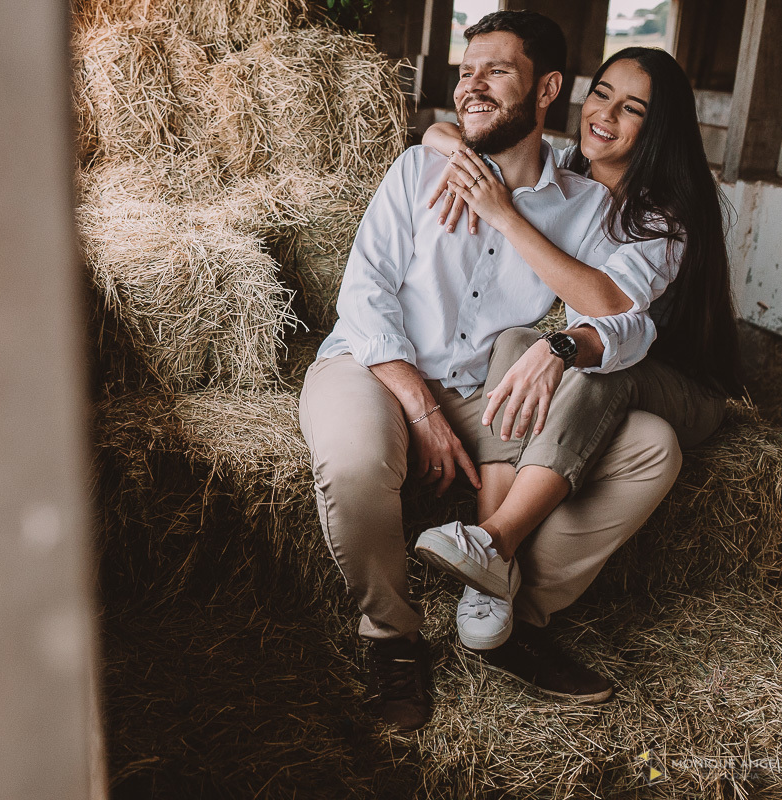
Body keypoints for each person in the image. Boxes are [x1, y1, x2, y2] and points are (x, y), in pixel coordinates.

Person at [299, 12, 682, 731]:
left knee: (652, 446)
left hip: (484, 398)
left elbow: (625, 319)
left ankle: (510, 609)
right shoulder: (420, 166)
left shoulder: (589, 210)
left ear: (547, 90)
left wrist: (565, 340)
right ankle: (393, 638)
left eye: (495, 71)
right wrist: (419, 408)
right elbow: (365, 293)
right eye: (464, 71)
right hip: (376, 367)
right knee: (353, 462)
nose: (469, 86)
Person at [413, 46, 742, 697]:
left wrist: (503, 213)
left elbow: (609, 316)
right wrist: (459, 152)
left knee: (593, 367)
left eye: (632, 109)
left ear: (659, 128)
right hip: (602, 370)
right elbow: (441, 131)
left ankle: (494, 540)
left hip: (674, 381)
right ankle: (494, 575)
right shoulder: (565, 167)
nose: (605, 114)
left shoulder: (663, 217)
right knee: (515, 342)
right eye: (602, 94)